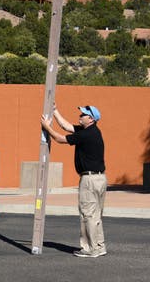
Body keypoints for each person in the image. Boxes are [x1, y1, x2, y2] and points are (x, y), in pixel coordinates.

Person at [40, 105, 107, 258]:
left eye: (83, 114)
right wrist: (55, 110)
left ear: (91, 119)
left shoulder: (86, 134)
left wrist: (46, 127)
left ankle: (90, 249)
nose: (80, 115)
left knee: (87, 214)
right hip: (100, 178)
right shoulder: (91, 131)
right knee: (96, 215)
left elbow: (59, 138)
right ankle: (99, 246)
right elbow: (66, 126)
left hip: (89, 180)